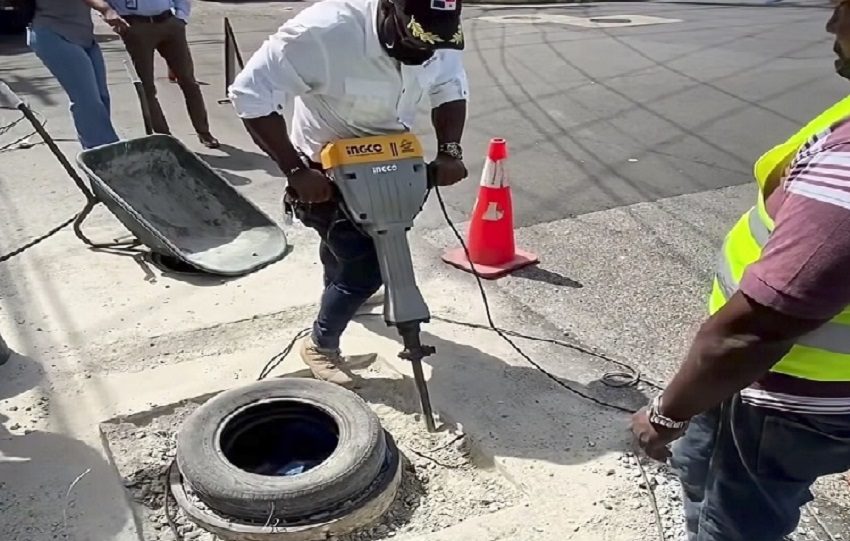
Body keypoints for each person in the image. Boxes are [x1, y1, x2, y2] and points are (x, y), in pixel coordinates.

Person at [631, 1, 850, 539]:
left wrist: (666, 415)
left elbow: (753, 331)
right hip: (780, 394)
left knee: (734, 523)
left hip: (781, 401)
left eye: (843, 6)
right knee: (708, 481)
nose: (830, 24)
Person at [229, 0, 469, 387]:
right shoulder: (325, 31)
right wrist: (295, 170)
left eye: (433, 45)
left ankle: (342, 296)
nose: (425, 53)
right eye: (416, 41)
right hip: (325, 174)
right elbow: (250, 94)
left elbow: (449, 88)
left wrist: (450, 151)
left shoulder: (437, 33)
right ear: (392, 9)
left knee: (349, 254)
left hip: (388, 167)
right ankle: (320, 346)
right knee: (367, 270)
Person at [106, 0, 219, 148]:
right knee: (147, 87)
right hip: (136, 26)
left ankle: (204, 131)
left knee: (188, 80)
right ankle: (165, 137)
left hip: (169, 23)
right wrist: (109, 14)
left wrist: (181, 17)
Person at [27, 0, 128, 149]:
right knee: (87, 100)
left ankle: (100, 151)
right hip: (54, 34)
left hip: (84, 36)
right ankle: (105, 154)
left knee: (101, 97)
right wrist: (105, 8)